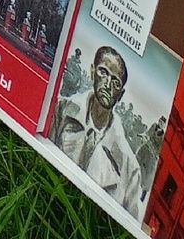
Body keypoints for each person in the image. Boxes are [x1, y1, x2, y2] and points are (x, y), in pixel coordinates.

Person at [54, 44, 144, 216]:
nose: (108, 84)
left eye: (116, 82)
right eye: (103, 72)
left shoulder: (129, 166)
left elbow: (130, 221)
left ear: (121, 94)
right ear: (92, 71)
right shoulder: (62, 110)